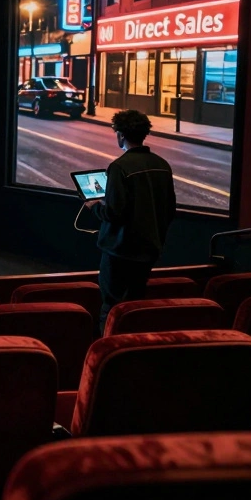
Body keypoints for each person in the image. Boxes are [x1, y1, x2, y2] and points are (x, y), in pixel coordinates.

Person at [88, 110, 177, 333]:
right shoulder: (162, 164)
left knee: (111, 306)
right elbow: (169, 209)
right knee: (135, 305)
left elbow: (115, 213)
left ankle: (108, 347)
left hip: (119, 252)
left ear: (120, 134)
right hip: (148, 250)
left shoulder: (119, 167)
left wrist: (95, 207)